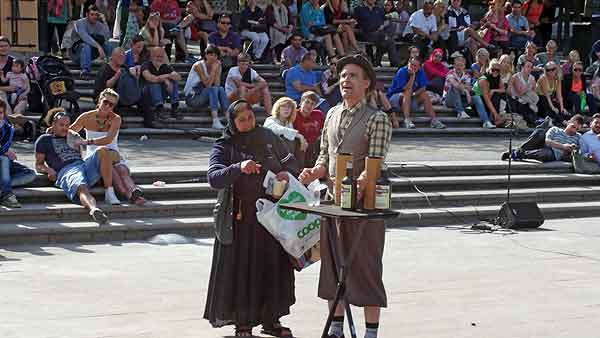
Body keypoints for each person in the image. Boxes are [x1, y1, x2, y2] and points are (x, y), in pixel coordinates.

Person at [299, 54, 391, 338]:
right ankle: (336, 328)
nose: (345, 80)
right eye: (342, 76)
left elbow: (375, 161)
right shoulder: (332, 114)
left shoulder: (377, 118)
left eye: (352, 75)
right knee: (332, 263)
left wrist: (361, 182)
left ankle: (371, 332)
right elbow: (325, 156)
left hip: (365, 205)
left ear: (366, 83)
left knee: (365, 265)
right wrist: (314, 172)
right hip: (332, 200)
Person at [204, 100, 299, 337]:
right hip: (241, 221)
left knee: (273, 269)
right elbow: (214, 178)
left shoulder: (269, 137)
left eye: (250, 117)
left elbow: (292, 163)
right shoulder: (225, 144)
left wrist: (287, 173)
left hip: (273, 219)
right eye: (242, 120)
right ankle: (243, 324)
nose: (248, 123)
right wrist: (238, 167)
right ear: (233, 123)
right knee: (244, 272)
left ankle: (272, 321)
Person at [35, 109, 119, 224]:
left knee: (103, 150)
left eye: (67, 125)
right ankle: (94, 209)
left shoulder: (72, 136)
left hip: (82, 165)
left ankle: (109, 191)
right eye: (61, 125)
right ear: (53, 124)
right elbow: (38, 165)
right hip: (67, 170)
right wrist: (48, 170)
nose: (65, 128)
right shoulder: (44, 139)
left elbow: (81, 154)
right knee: (81, 186)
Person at [69, 89, 146, 205]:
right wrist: (53, 130)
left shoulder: (116, 119)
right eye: (105, 102)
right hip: (95, 157)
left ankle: (133, 191)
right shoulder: (86, 117)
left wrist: (86, 142)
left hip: (113, 154)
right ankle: (130, 195)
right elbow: (69, 131)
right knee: (114, 171)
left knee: (122, 170)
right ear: (99, 100)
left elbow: (108, 139)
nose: (108, 106)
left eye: (111, 105)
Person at [387, 56, 446, 129]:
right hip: (395, 99)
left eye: (415, 66)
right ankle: (407, 120)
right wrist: (412, 76)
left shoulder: (421, 71)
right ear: (408, 63)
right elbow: (406, 88)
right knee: (408, 91)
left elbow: (423, 87)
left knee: (424, 94)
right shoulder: (402, 71)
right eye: (411, 64)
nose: (413, 67)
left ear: (419, 67)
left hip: (409, 100)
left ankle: (434, 120)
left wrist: (414, 94)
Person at [0, 100, 36, 208]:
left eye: (1, 113)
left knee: (30, 174)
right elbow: (4, 151)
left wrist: (4, 151)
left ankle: (2, 186)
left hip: (4, 164)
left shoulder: (7, 127)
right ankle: (6, 195)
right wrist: (4, 151)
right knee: (4, 158)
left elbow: (4, 147)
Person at [184, 45, 229, 130]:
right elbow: (207, 85)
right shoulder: (198, 65)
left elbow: (217, 84)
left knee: (221, 89)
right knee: (212, 89)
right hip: (192, 97)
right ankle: (215, 120)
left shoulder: (217, 65)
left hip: (204, 95)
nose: (213, 57)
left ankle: (229, 119)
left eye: (215, 55)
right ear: (206, 55)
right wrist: (213, 70)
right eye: (211, 55)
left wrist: (217, 70)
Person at [502, 114, 583, 162]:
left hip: (553, 153)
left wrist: (573, 149)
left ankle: (517, 153)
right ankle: (517, 151)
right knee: (540, 133)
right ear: (568, 122)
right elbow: (547, 141)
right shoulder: (555, 129)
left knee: (545, 153)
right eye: (573, 127)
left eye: (577, 129)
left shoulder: (578, 136)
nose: (574, 130)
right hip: (544, 144)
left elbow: (581, 150)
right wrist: (563, 146)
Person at [353, 0, 400, 67]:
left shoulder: (379, 9)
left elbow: (385, 19)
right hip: (366, 33)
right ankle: (394, 64)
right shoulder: (359, 9)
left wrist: (383, 25)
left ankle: (377, 62)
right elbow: (353, 22)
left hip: (379, 33)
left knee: (386, 41)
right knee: (388, 40)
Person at [71, 5, 113, 79]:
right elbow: (85, 37)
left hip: (91, 53)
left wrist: (104, 21)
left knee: (108, 45)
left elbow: (107, 37)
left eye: (96, 15)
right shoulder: (79, 23)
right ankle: (85, 71)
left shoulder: (99, 24)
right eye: (92, 14)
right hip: (77, 53)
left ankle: (112, 67)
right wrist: (98, 47)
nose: (95, 17)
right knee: (86, 45)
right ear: (87, 15)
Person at [141, 47, 182, 121]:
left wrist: (168, 77)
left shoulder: (165, 66)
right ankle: (159, 109)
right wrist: (165, 79)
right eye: (157, 56)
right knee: (154, 83)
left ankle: (174, 107)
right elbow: (150, 78)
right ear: (151, 56)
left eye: (161, 56)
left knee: (174, 81)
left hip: (160, 94)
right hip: (147, 96)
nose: (159, 58)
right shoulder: (146, 65)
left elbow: (178, 77)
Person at [293, 91, 325, 168]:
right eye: (307, 102)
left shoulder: (318, 114)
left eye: (312, 104)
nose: (309, 106)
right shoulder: (294, 114)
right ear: (301, 102)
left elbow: (324, 130)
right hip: (300, 144)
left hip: (315, 145)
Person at [471, 59, 505, 128]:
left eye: (497, 70)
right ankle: (491, 119)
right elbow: (487, 99)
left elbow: (503, 90)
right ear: (489, 69)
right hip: (478, 100)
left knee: (497, 94)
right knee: (494, 96)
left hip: (487, 100)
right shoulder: (484, 80)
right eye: (493, 70)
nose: (495, 72)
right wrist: (495, 113)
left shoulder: (499, 78)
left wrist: (493, 90)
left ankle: (495, 118)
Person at [508, 59, 539, 126]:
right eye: (528, 66)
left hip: (528, 100)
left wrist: (528, 89)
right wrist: (528, 86)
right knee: (527, 107)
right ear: (522, 67)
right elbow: (520, 93)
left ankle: (535, 120)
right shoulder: (516, 77)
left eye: (531, 67)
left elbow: (534, 92)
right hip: (517, 101)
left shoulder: (532, 78)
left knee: (534, 100)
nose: (530, 69)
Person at [537, 61, 568, 126]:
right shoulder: (543, 78)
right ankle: (563, 121)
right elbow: (546, 95)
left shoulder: (557, 79)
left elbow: (559, 94)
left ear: (556, 69)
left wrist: (562, 108)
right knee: (551, 109)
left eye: (553, 69)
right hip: (541, 99)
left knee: (561, 109)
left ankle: (567, 120)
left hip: (550, 99)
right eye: (548, 70)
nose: (551, 71)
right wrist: (552, 107)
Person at [444, 53, 473, 120]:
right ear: (454, 65)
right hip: (448, 100)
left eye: (461, 65)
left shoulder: (467, 75)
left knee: (476, 98)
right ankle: (461, 112)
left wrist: (467, 90)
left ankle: (486, 121)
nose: (459, 67)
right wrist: (466, 91)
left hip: (461, 98)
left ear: (464, 66)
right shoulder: (450, 73)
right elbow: (455, 85)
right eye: (457, 65)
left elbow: (469, 87)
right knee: (454, 87)